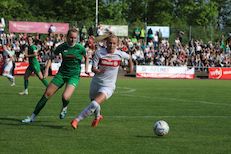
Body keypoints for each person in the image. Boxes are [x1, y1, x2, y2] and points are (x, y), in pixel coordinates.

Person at [21, 28, 89, 123]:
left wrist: (86, 69)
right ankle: (32, 117)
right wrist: (46, 71)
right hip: (61, 74)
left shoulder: (80, 48)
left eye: (75, 38)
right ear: (67, 37)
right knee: (46, 94)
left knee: (65, 97)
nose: (73, 39)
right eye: (71, 37)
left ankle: (64, 107)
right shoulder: (61, 47)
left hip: (73, 76)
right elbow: (51, 57)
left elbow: (86, 57)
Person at [71, 33, 134, 129]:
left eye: (114, 43)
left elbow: (129, 58)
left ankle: (77, 120)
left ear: (117, 44)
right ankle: (98, 116)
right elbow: (93, 69)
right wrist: (98, 71)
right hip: (96, 82)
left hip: (108, 86)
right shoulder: (99, 53)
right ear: (106, 43)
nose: (111, 45)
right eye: (109, 43)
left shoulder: (119, 54)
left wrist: (131, 68)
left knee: (95, 103)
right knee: (93, 102)